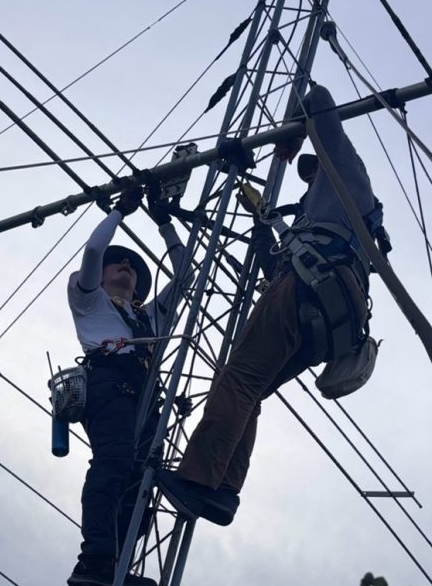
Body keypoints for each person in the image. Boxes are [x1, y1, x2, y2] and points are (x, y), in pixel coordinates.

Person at [157, 84, 378, 526]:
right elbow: (278, 268)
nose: (309, 179)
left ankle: (197, 481)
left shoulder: (346, 173)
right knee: (251, 391)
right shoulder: (333, 230)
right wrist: (264, 226)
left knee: (238, 379)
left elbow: (318, 97)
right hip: (330, 319)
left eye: (312, 172)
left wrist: (291, 136)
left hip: (311, 289)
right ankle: (223, 491)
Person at [67, 184, 191, 586]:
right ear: (101, 275)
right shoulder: (89, 300)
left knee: (141, 483)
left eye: (134, 269)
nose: (126, 268)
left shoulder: (147, 316)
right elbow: (93, 250)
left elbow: (185, 272)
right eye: (118, 264)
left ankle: (112, 571)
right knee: (114, 463)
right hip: (109, 385)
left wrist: (164, 221)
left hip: (143, 396)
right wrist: (121, 211)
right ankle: (95, 559)